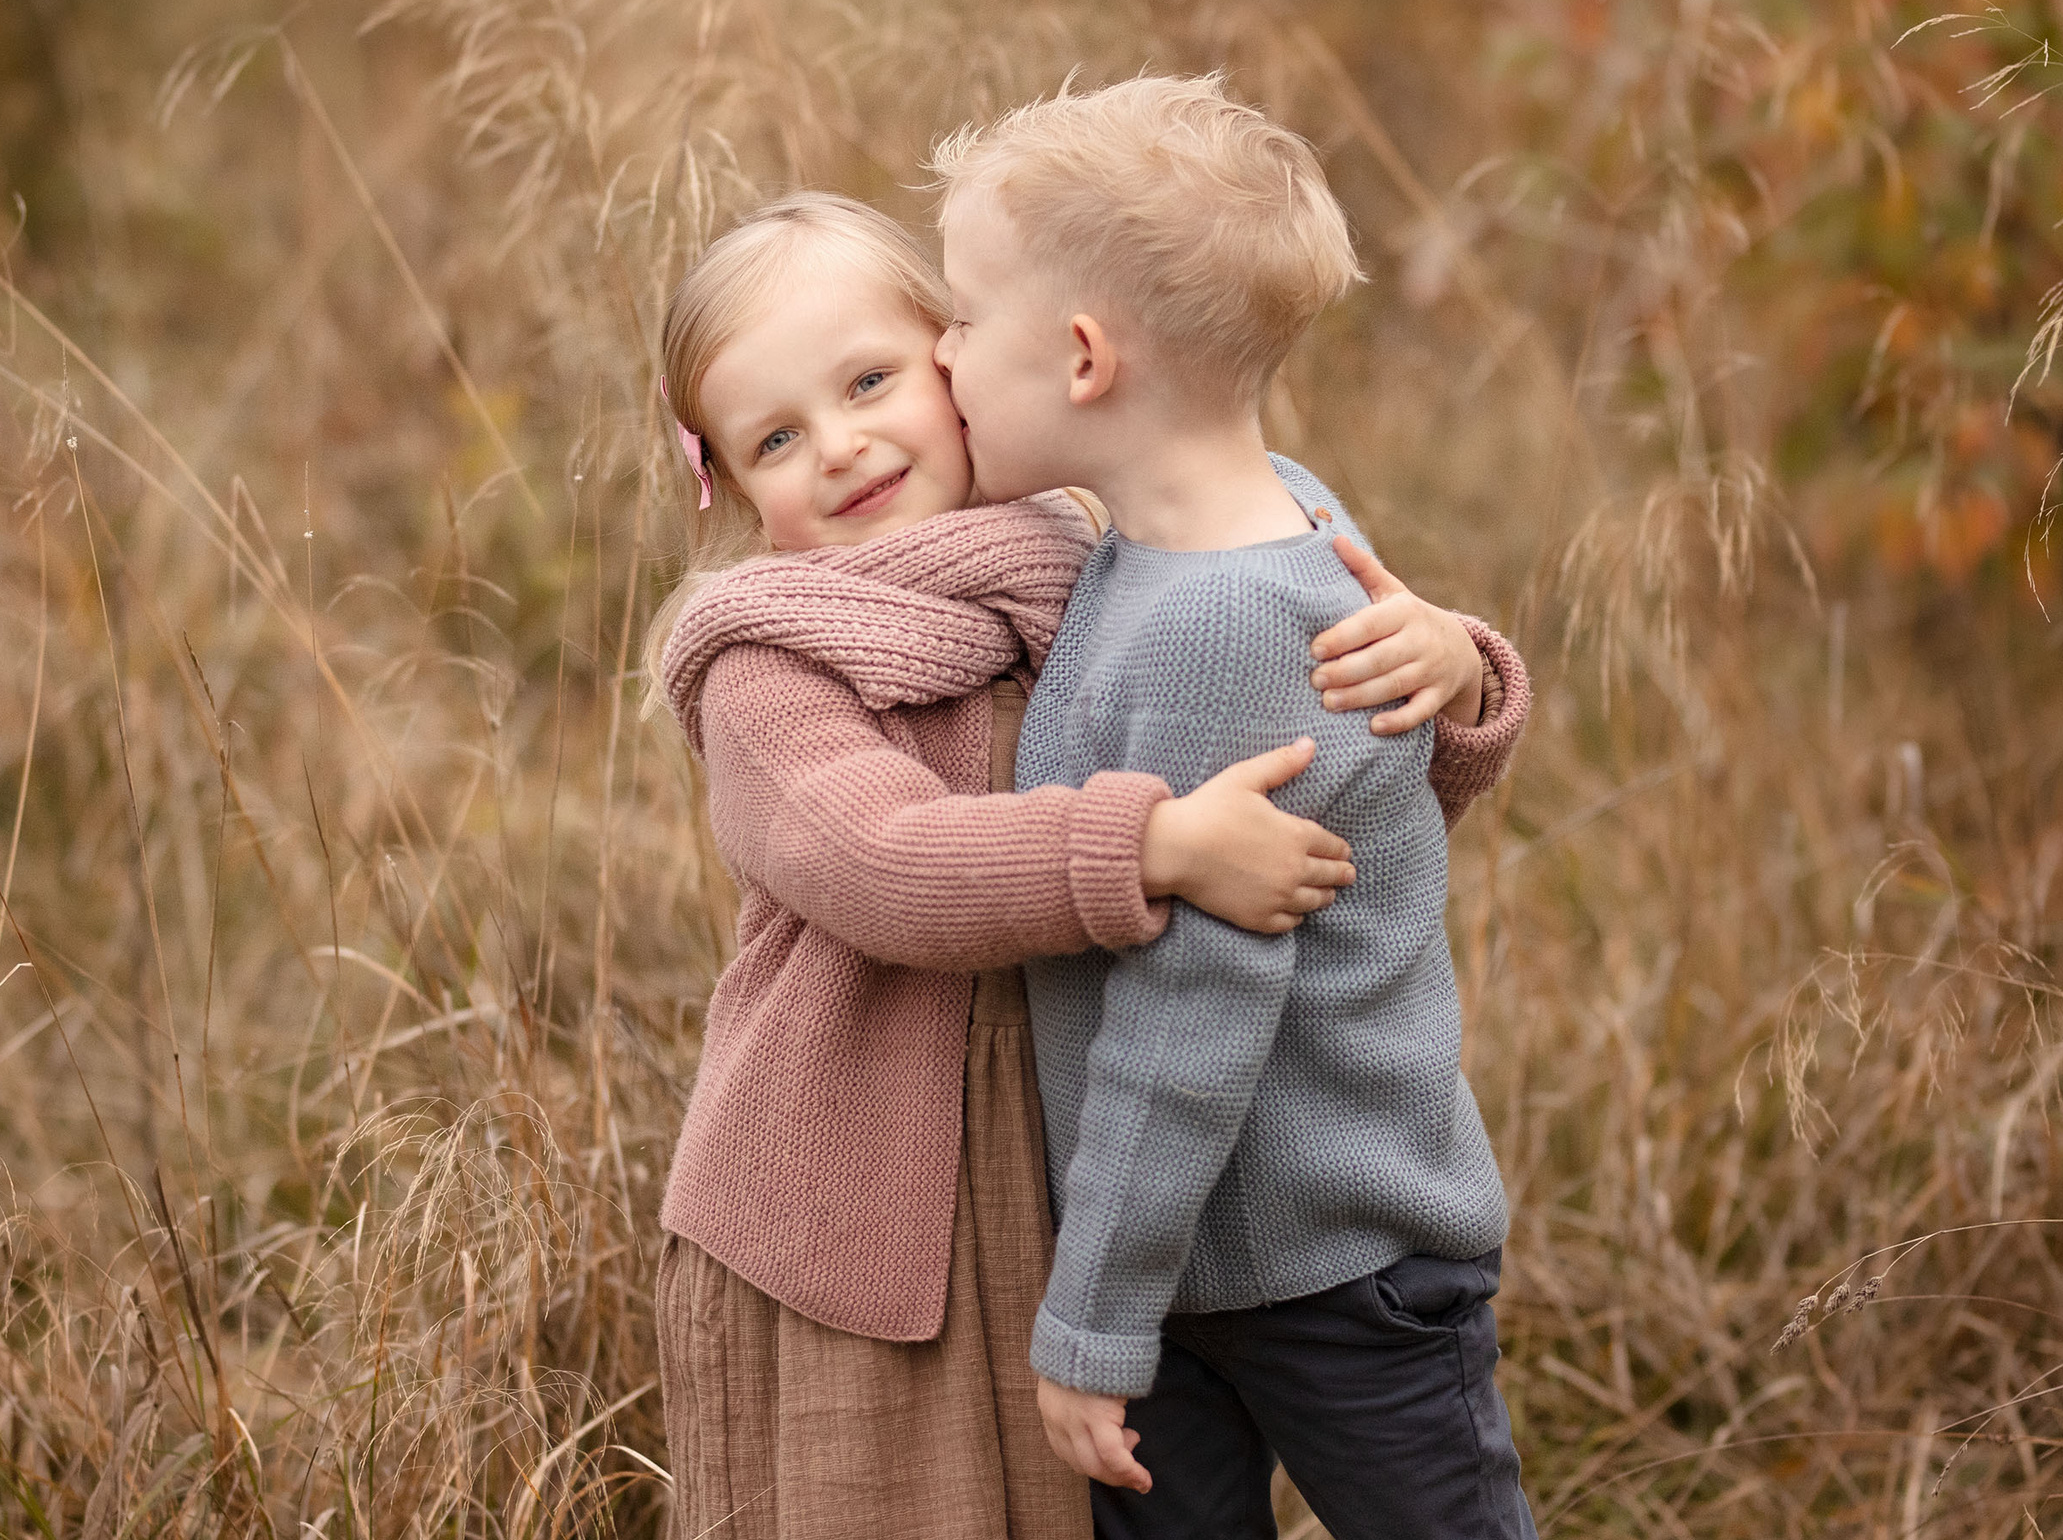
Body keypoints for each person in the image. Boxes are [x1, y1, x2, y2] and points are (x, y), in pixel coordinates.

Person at [647, 187, 1531, 1540]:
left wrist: (1451, 674)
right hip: (876, 1197)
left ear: (955, 357)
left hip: (1105, 1184)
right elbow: (884, 862)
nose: (840, 446)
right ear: (727, 483)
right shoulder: (768, 665)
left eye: (870, 381)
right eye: (775, 437)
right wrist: (1153, 845)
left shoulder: (1099, 558)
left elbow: (1313, 810)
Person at [932, 74, 1540, 1540]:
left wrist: (1090, 1320)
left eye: (961, 316)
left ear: (1084, 359)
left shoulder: (1211, 627)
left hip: (1332, 1270)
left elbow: (1191, 1023)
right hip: (1193, 1259)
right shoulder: (1255, 512)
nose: (939, 352)